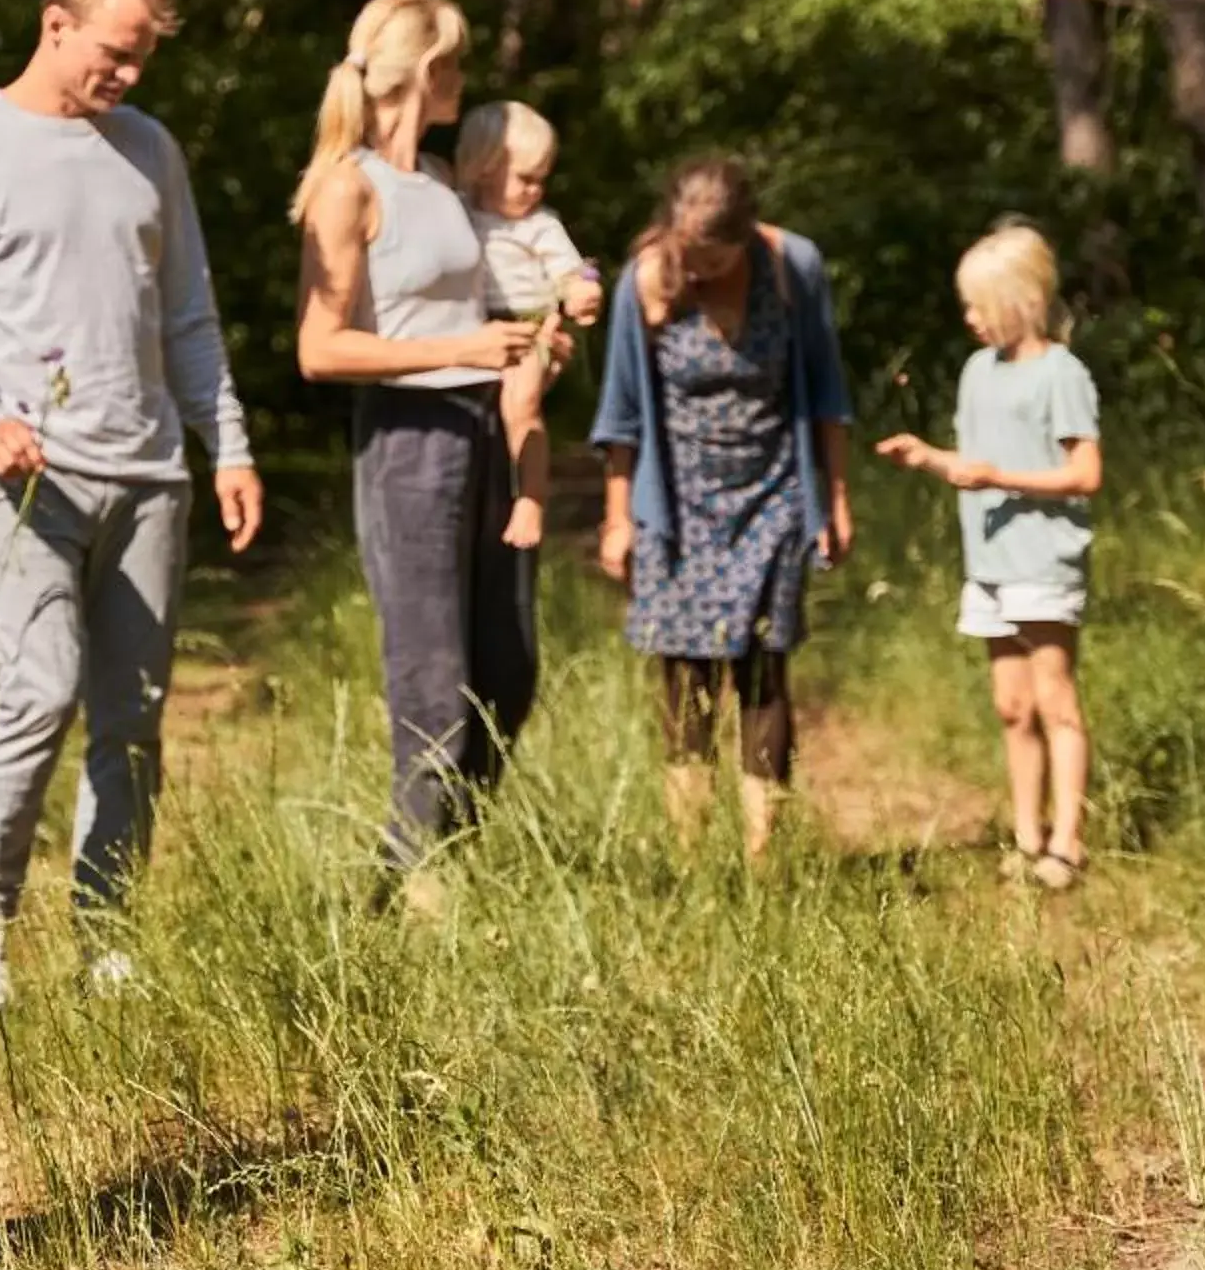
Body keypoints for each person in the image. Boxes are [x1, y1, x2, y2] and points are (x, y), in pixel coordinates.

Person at [0, 0, 263, 1014]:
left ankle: (108, 934)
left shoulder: (151, 151)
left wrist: (227, 443)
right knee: (39, 690)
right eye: (118, 53)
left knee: (133, 718)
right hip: (28, 483)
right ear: (56, 24)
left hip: (150, 478)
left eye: (144, 59)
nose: (132, 77)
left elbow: (188, 316)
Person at [293, 0, 546, 881]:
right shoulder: (346, 185)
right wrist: (462, 347)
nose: (464, 81)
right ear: (431, 70)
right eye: (460, 64)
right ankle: (406, 891)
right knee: (434, 692)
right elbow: (319, 348)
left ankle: (454, 860)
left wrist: (549, 316)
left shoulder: (438, 181)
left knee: (508, 676)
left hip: (484, 432)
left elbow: (488, 294)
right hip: (408, 444)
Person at [591, 157, 854, 863]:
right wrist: (619, 518)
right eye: (687, 250)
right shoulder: (646, 279)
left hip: (775, 495)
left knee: (765, 673)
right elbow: (619, 413)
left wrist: (834, 498)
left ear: (745, 237)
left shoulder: (793, 267)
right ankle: (691, 860)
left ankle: (763, 862)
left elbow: (828, 391)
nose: (696, 268)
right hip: (677, 504)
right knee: (685, 680)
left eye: (711, 255)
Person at [875, 221, 1103, 890]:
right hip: (990, 566)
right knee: (1011, 705)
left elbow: (1085, 474)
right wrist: (928, 458)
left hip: (1044, 562)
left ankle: (1068, 842)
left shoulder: (1062, 374)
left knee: (1055, 699)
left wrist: (1003, 478)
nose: (969, 319)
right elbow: (976, 464)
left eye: (979, 305)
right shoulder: (978, 372)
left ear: (1020, 302)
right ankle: (1027, 837)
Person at [453, 101, 605, 550]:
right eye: (525, 178)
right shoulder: (457, 210)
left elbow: (573, 271)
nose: (535, 190)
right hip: (474, 328)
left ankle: (532, 499)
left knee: (522, 404)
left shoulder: (540, 226)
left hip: (528, 327)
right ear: (483, 169)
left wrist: (584, 291)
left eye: (542, 179)